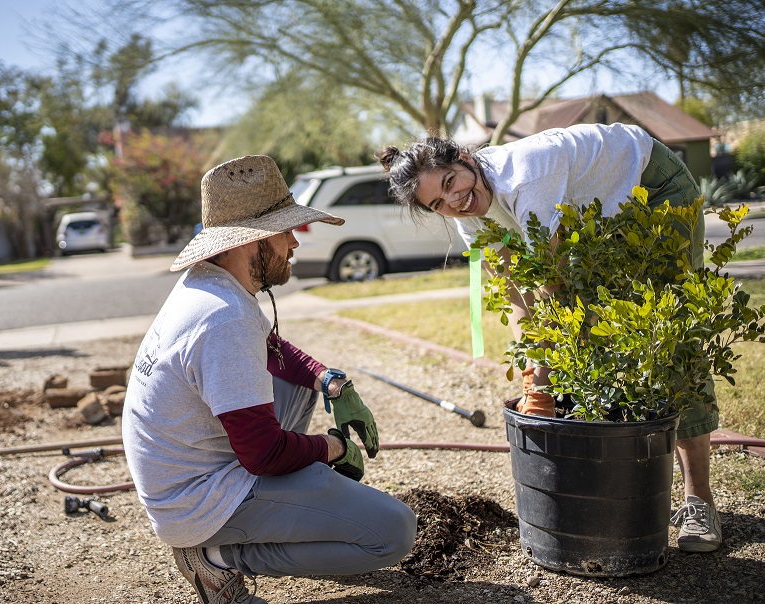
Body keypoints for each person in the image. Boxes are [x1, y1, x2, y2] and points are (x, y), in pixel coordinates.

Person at [378, 123, 721, 553]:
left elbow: (553, 287)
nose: (454, 201)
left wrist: (544, 377)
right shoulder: (470, 219)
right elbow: (520, 297)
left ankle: (698, 499)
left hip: (653, 188)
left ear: (466, 159)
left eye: (451, 182)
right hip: (598, 211)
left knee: (666, 334)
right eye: (438, 202)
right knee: (594, 326)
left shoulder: (527, 176)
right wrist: (531, 374)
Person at [122, 155, 417, 604]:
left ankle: (286, 511)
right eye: (286, 231)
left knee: (297, 383)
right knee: (394, 532)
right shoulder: (224, 319)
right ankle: (217, 558)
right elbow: (264, 454)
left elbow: (275, 351)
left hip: (189, 477)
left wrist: (332, 382)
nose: (294, 243)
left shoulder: (211, 284)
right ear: (252, 241)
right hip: (200, 504)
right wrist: (333, 448)